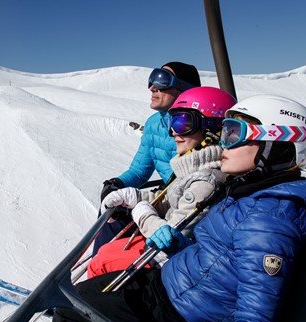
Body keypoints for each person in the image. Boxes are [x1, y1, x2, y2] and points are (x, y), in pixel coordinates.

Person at [52, 95, 306, 322]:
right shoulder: (249, 194)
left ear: (275, 147)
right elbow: (221, 258)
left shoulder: (268, 221)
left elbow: (255, 320)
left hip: (180, 315)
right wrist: (181, 246)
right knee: (76, 299)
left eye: (234, 133)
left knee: (72, 314)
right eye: (223, 132)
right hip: (172, 288)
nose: (223, 143)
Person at [88, 87, 236, 278]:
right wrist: (134, 196)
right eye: (172, 122)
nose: (174, 132)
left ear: (212, 129)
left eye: (183, 123)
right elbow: (169, 199)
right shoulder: (191, 166)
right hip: (160, 245)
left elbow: (173, 236)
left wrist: (142, 212)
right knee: (107, 251)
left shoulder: (206, 181)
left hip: (168, 260)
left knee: (101, 263)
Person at [94, 62, 201, 254]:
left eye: (162, 80)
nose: (152, 87)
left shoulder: (197, 128)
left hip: (183, 207)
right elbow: (139, 170)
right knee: (111, 214)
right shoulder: (154, 124)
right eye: (152, 79)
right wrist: (115, 184)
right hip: (164, 198)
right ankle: (97, 271)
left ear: (185, 88)